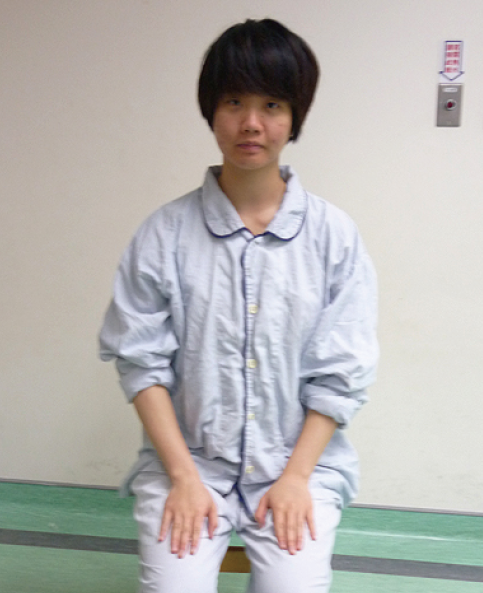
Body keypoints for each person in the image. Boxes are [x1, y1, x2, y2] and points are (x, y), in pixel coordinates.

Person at [99, 18, 378, 593]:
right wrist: (182, 477)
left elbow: (340, 374)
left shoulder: (335, 237)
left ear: (295, 116)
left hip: (299, 465)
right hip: (188, 463)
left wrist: (296, 478)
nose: (251, 123)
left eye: (272, 104)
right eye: (234, 102)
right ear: (211, 111)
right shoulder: (163, 234)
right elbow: (140, 362)